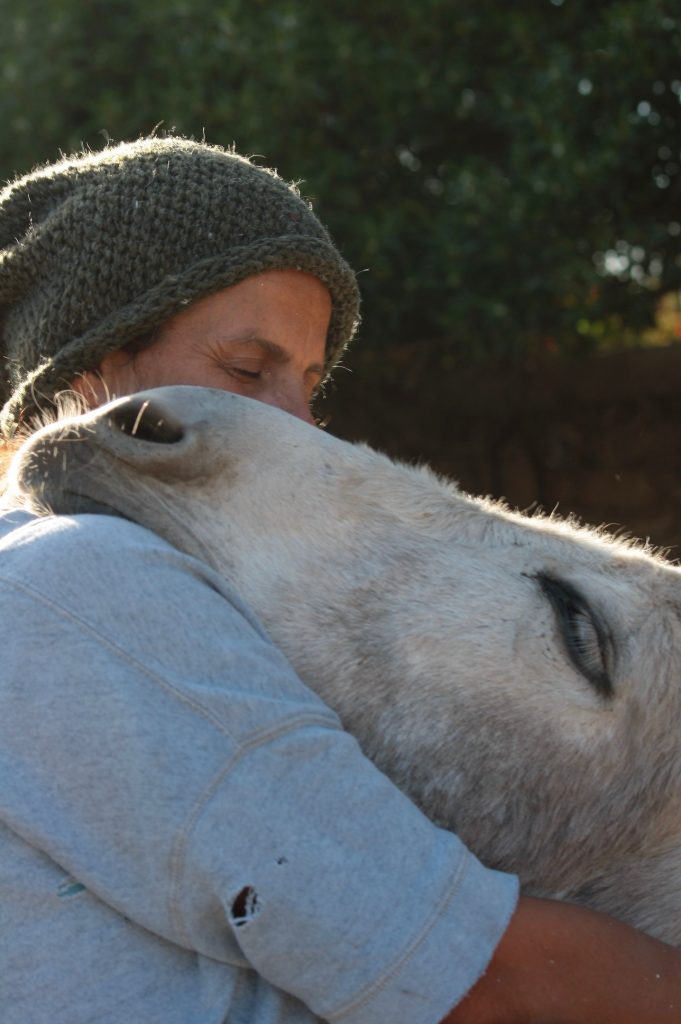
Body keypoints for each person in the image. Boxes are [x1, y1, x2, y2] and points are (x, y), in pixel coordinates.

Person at [0, 137, 680, 1024]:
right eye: (245, 369)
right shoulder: (80, 577)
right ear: (85, 363)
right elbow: (485, 978)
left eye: (309, 383)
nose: (298, 427)